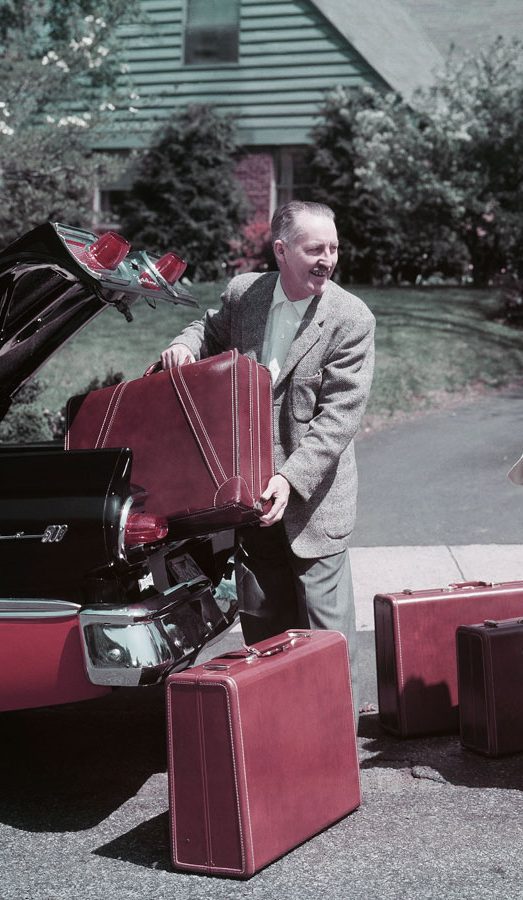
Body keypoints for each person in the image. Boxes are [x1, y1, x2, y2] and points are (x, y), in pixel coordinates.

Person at [160, 200, 375, 713]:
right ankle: (272, 737)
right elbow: (206, 328)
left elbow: (338, 420)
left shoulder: (351, 318)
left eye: (334, 248)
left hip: (313, 503)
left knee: (326, 638)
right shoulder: (244, 294)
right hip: (250, 498)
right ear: (281, 251)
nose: (327, 259)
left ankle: (334, 746)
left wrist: (289, 479)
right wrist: (184, 345)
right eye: (314, 249)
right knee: (263, 632)